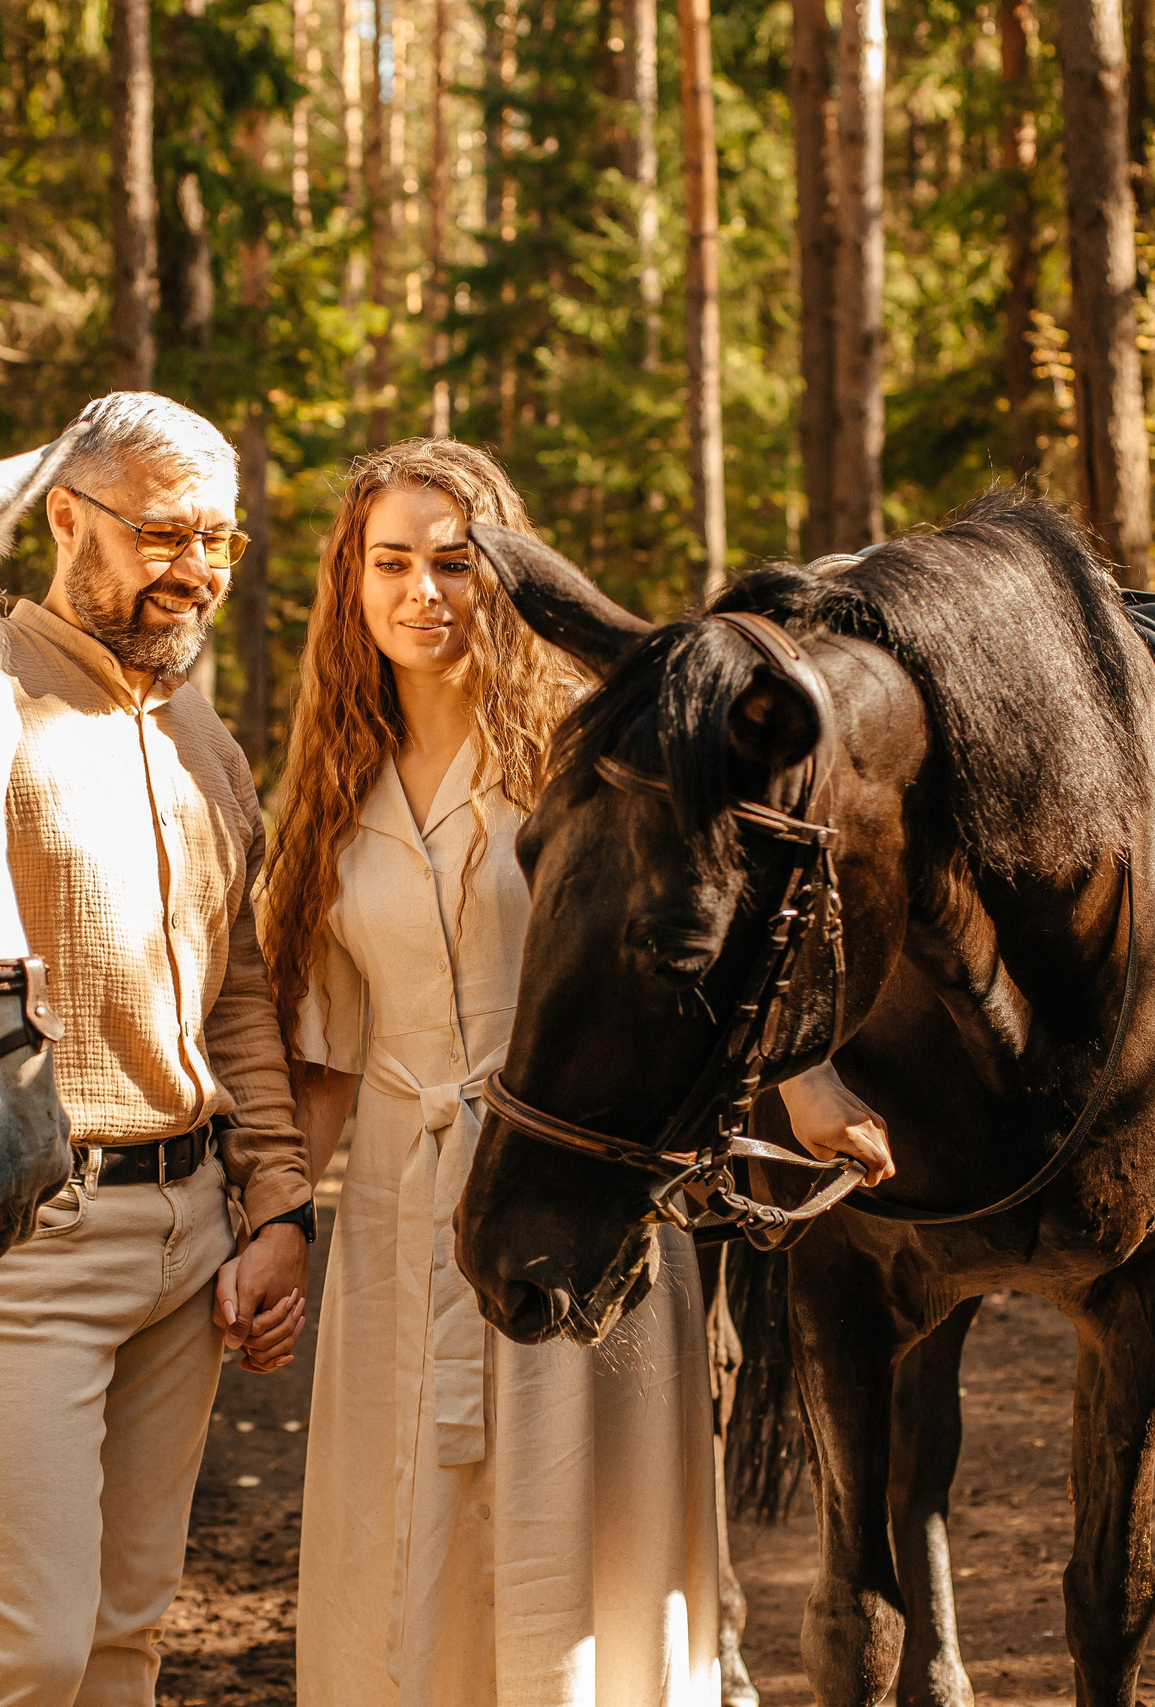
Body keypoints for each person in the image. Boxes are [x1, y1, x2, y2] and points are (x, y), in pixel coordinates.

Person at [260, 440, 891, 1707]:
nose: (421, 592)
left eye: (453, 562)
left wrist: (809, 1091)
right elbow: (326, 1053)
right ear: (351, 581)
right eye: (391, 563)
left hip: (579, 1172)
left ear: (507, 579)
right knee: (406, 1531)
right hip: (395, 1206)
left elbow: (704, 952)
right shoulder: (327, 788)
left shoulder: (589, 753)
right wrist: (275, 1218)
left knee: (583, 1538)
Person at [0, 392, 313, 1707]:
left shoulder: (204, 739)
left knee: (129, 1631)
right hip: (28, 1233)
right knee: (28, 1648)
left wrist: (276, 1201)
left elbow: (238, 987)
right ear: (67, 518)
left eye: (220, 538)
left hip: (193, 1231)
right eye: (163, 534)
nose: (195, 568)